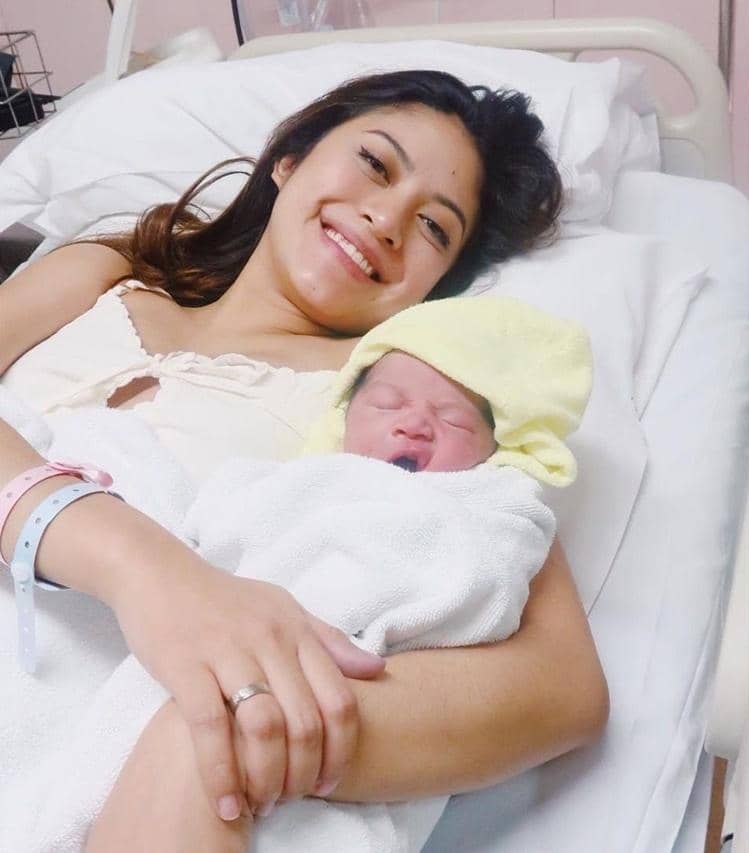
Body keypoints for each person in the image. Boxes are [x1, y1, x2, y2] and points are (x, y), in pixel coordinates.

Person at [0, 68, 608, 851]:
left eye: (434, 228)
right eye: (375, 164)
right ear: (288, 159)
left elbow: (562, 686)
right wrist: (142, 567)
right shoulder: (107, 275)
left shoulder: (402, 395)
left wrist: (257, 721)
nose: (387, 219)